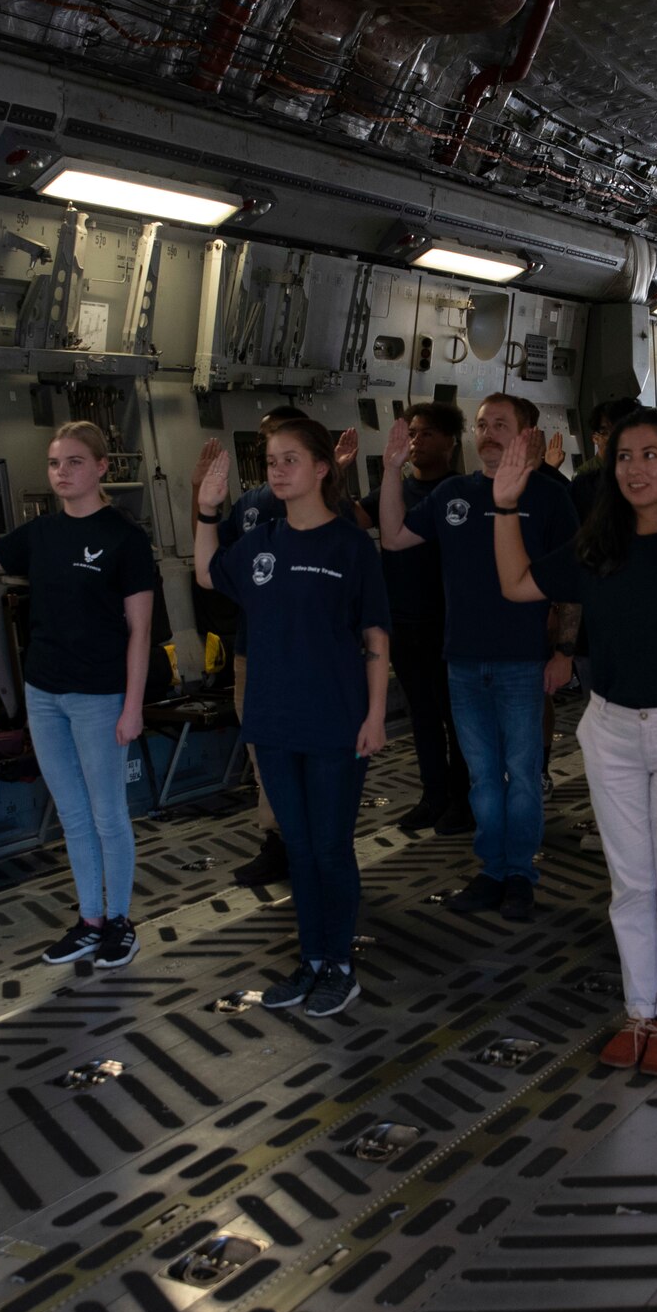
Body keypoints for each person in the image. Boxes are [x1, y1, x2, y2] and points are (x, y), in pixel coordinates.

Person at [491, 412, 657, 1074]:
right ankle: (640, 1007)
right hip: (610, 729)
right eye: (624, 457)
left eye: (650, 455)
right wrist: (503, 507)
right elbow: (517, 584)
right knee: (631, 883)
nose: (636, 468)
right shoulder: (597, 545)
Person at [0, 423, 157, 969]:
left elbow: (140, 631)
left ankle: (121, 922)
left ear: (103, 468)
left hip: (99, 697)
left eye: (75, 462)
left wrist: (133, 707)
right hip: (45, 694)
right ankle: (90, 920)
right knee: (74, 814)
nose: (62, 472)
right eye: (56, 463)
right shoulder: (39, 535)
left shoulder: (125, 540)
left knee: (108, 815)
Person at [195, 420, 389, 1016]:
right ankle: (310, 960)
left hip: (335, 722)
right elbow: (207, 573)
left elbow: (376, 635)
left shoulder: (351, 546)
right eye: (271, 461)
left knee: (331, 849)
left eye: (290, 460)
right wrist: (206, 511)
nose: (276, 470)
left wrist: (377, 714)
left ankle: (340, 965)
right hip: (273, 723)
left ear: (322, 468)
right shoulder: (262, 542)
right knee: (299, 848)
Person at [380, 393, 579, 920]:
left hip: (521, 660)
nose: (488, 432)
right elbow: (395, 536)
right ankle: (493, 869)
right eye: (483, 424)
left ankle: (521, 875)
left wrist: (564, 652)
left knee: (522, 770)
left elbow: (572, 585)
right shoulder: (454, 494)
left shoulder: (550, 498)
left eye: (501, 424)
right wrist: (391, 472)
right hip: (463, 659)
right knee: (482, 778)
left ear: (525, 435)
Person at [192, 404, 310, 887]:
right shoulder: (250, 506)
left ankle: (312, 841)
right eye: (268, 449)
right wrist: (202, 499)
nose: (275, 460)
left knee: (310, 751)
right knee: (265, 754)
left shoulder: (324, 510)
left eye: (286, 449)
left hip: (305, 652)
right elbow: (211, 563)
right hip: (252, 650)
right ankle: (279, 842)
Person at [355, 404, 471, 833]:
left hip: (447, 620)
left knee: (454, 716)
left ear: (450, 441)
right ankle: (433, 794)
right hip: (403, 621)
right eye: (412, 433)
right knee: (421, 714)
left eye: (426, 434)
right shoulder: (395, 490)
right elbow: (354, 519)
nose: (417, 442)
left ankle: (464, 798)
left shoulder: (460, 490)